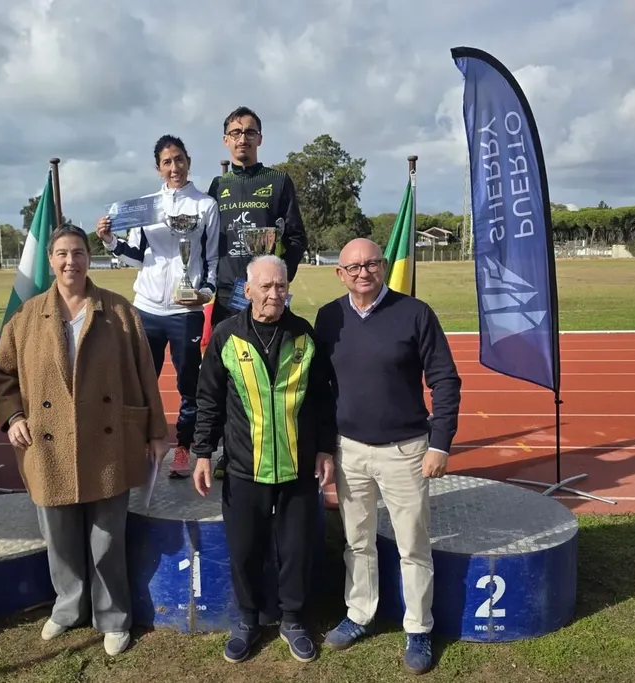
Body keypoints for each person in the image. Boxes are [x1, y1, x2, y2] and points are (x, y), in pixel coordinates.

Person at [0, 223, 168, 656]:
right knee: (60, 537)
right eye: (63, 254)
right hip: (48, 445)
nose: (71, 261)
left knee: (107, 537)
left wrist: (157, 431)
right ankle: (68, 608)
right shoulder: (27, 315)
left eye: (79, 253)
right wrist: (12, 415)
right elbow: (1, 373)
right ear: (51, 260)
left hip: (108, 440)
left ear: (90, 258)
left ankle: (113, 615)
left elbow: (146, 373)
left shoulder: (120, 311)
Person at [312, 238, 462, 675]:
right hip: (349, 451)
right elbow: (320, 392)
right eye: (353, 267)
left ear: (383, 267)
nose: (363, 272)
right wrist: (324, 446)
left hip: (406, 451)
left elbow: (445, 380)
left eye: (371, 263)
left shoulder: (416, 313)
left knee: (413, 544)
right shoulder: (329, 317)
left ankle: (418, 627)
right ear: (339, 274)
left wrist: (440, 443)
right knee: (357, 541)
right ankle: (359, 614)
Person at [191, 255, 335, 664]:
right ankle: (248, 620)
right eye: (266, 287)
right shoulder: (226, 336)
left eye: (281, 286)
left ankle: (292, 618)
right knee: (245, 548)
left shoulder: (303, 335)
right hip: (243, 466)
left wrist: (325, 447)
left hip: (297, 465)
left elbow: (323, 398)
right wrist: (202, 452)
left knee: (295, 548)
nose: (275, 293)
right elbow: (209, 400)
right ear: (248, 290)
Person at [95, 135, 219, 480]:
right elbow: (137, 255)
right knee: (137, 381)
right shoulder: (147, 206)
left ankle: (183, 448)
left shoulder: (205, 205)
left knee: (188, 385)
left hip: (185, 310)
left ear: (188, 162)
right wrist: (109, 240)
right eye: (167, 162)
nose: (174, 167)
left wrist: (204, 293)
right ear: (158, 168)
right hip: (147, 308)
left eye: (179, 159)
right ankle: (141, 446)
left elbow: (211, 258)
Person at [206, 105, 309, 480]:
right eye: (235, 132)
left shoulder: (279, 180)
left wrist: (278, 281)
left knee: (266, 377)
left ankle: (277, 448)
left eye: (249, 132)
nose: (242, 138)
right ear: (225, 140)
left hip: (266, 299)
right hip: (226, 297)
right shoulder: (217, 187)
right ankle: (225, 453)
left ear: (260, 139)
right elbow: (204, 241)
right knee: (228, 379)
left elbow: (296, 237)